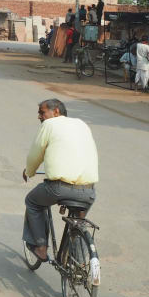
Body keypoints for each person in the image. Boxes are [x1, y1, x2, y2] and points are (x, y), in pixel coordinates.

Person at [22, 98, 98, 262]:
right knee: (78, 221)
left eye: (42, 112)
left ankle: (40, 247)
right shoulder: (82, 124)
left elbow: (36, 154)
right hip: (89, 191)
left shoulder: (49, 125)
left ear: (56, 111)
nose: (39, 117)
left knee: (33, 202)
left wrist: (29, 171)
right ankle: (77, 262)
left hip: (58, 188)